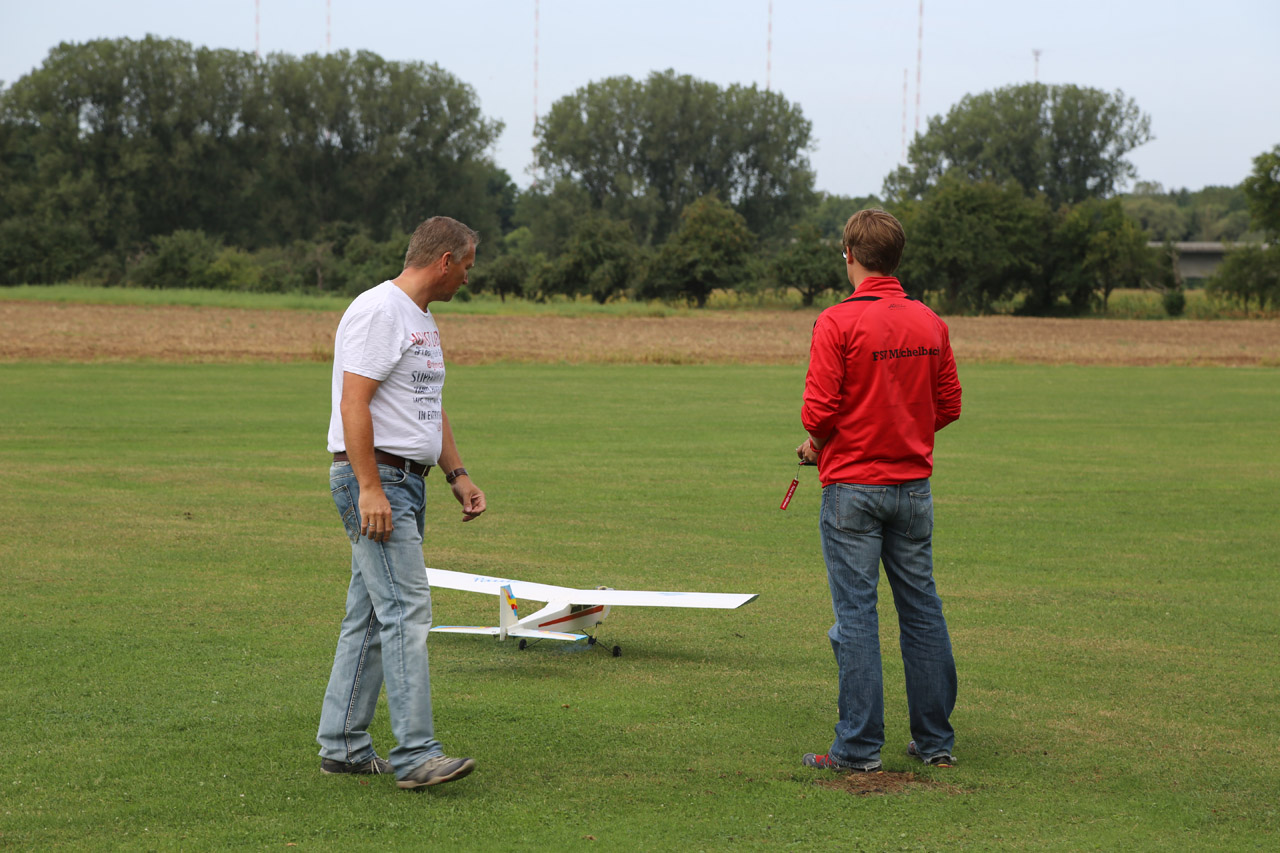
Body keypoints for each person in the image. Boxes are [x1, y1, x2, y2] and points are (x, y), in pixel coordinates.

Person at [317, 216, 486, 790]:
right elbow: (354, 402)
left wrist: (456, 473)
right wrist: (369, 488)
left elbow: (427, 406)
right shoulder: (380, 311)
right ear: (444, 261)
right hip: (378, 479)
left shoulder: (421, 318)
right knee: (407, 612)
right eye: (466, 266)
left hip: (406, 480)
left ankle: (342, 745)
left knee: (371, 614)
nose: (467, 278)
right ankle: (416, 755)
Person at [797, 208, 962, 773]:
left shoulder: (836, 321)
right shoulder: (929, 321)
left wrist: (817, 445)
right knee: (922, 610)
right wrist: (902, 431)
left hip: (851, 489)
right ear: (895, 257)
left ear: (849, 255)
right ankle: (935, 742)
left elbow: (819, 412)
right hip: (912, 489)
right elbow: (948, 405)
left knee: (857, 617)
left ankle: (859, 749)